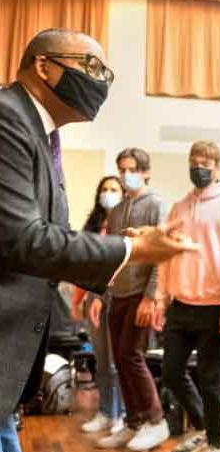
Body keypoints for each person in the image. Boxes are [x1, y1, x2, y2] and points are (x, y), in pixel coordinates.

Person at [0, 27, 195, 452]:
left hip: (12, 359)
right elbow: (23, 238)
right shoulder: (7, 119)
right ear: (43, 66)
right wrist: (134, 248)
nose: (100, 82)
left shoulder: (39, 135)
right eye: (92, 67)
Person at [153, 141, 220, 452]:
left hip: (215, 305)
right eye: (194, 161)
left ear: (217, 166)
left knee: (212, 380)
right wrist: (161, 295)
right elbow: (166, 251)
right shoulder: (179, 206)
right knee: (172, 372)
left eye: (205, 162)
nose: (199, 167)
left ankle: (218, 446)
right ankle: (204, 427)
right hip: (180, 304)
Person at [98, 148, 171, 452]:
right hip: (119, 294)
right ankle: (134, 423)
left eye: (132, 169)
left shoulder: (156, 205)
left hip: (141, 294)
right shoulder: (115, 212)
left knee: (132, 355)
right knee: (119, 359)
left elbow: (160, 254)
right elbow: (113, 256)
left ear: (145, 171)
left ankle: (156, 420)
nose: (126, 174)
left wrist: (150, 297)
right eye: (121, 168)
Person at [71, 175, 126, 435]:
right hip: (94, 297)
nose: (109, 193)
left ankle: (122, 415)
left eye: (114, 189)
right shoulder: (92, 226)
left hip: (117, 297)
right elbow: (83, 267)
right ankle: (105, 411)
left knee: (117, 362)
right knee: (101, 360)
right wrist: (77, 301)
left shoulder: (125, 223)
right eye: (105, 189)